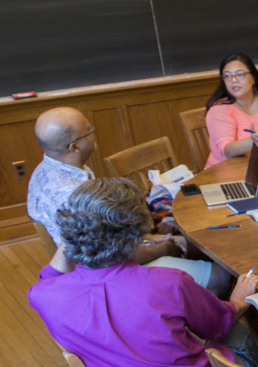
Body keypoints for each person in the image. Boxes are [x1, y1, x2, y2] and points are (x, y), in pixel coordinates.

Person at [28, 178, 258, 367]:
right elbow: (218, 324)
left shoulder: (45, 296)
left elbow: (50, 276)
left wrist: (74, 238)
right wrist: (238, 300)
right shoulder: (167, 282)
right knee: (241, 329)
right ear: (137, 233)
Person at [26, 106, 228, 294]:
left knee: (197, 243)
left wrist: (147, 238)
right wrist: (163, 249)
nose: (94, 132)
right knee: (222, 276)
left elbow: (106, 239)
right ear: (75, 147)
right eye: (89, 130)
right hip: (109, 275)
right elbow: (109, 258)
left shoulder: (49, 171)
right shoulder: (74, 193)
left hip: (108, 253)